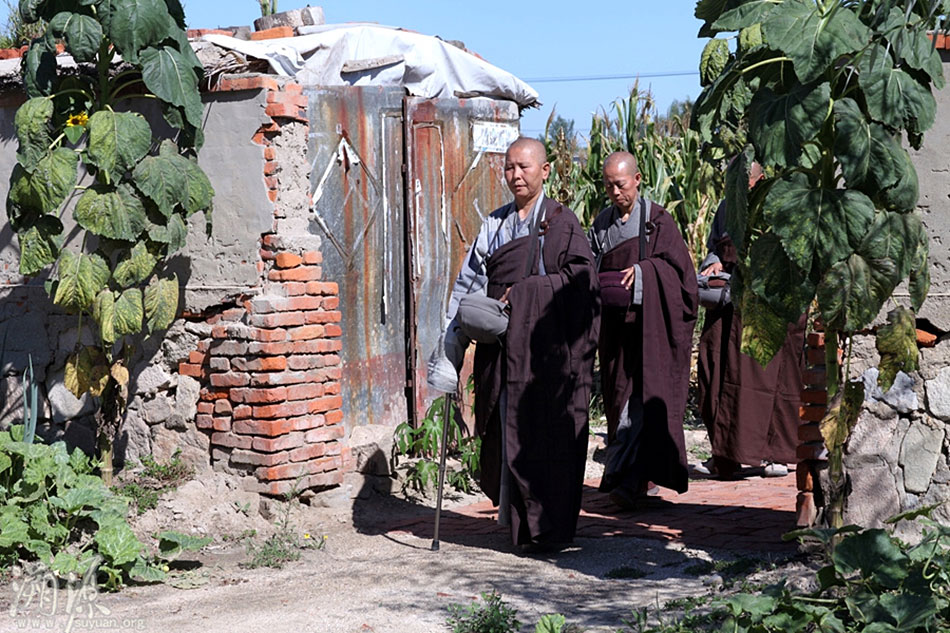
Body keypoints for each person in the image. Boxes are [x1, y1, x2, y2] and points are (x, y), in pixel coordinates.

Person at [427, 137, 600, 551]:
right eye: (508, 168)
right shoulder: (494, 224)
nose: (515, 175)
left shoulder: (561, 222)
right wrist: (453, 340)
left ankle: (550, 529)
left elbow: (582, 282)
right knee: (510, 434)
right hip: (506, 349)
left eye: (524, 167)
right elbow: (468, 285)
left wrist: (525, 294)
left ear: (545, 170)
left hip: (549, 354)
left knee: (551, 437)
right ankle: (519, 526)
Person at [588, 151, 698, 510]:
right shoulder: (602, 223)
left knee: (643, 404)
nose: (614, 192)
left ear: (637, 179)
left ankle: (629, 480)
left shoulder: (657, 221)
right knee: (619, 403)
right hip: (616, 332)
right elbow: (589, 264)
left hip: (652, 330)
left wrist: (647, 272)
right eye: (608, 186)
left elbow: (682, 277)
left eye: (620, 184)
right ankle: (631, 481)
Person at [696, 162, 805, 479]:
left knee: (765, 383)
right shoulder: (727, 206)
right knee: (712, 372)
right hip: (728, 306)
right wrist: (714, 263)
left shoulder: (776, 206)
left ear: (758, 182)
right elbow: (714, 247)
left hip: (764, 308)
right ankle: (724, 454)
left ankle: (772, 455)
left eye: (741, 183)